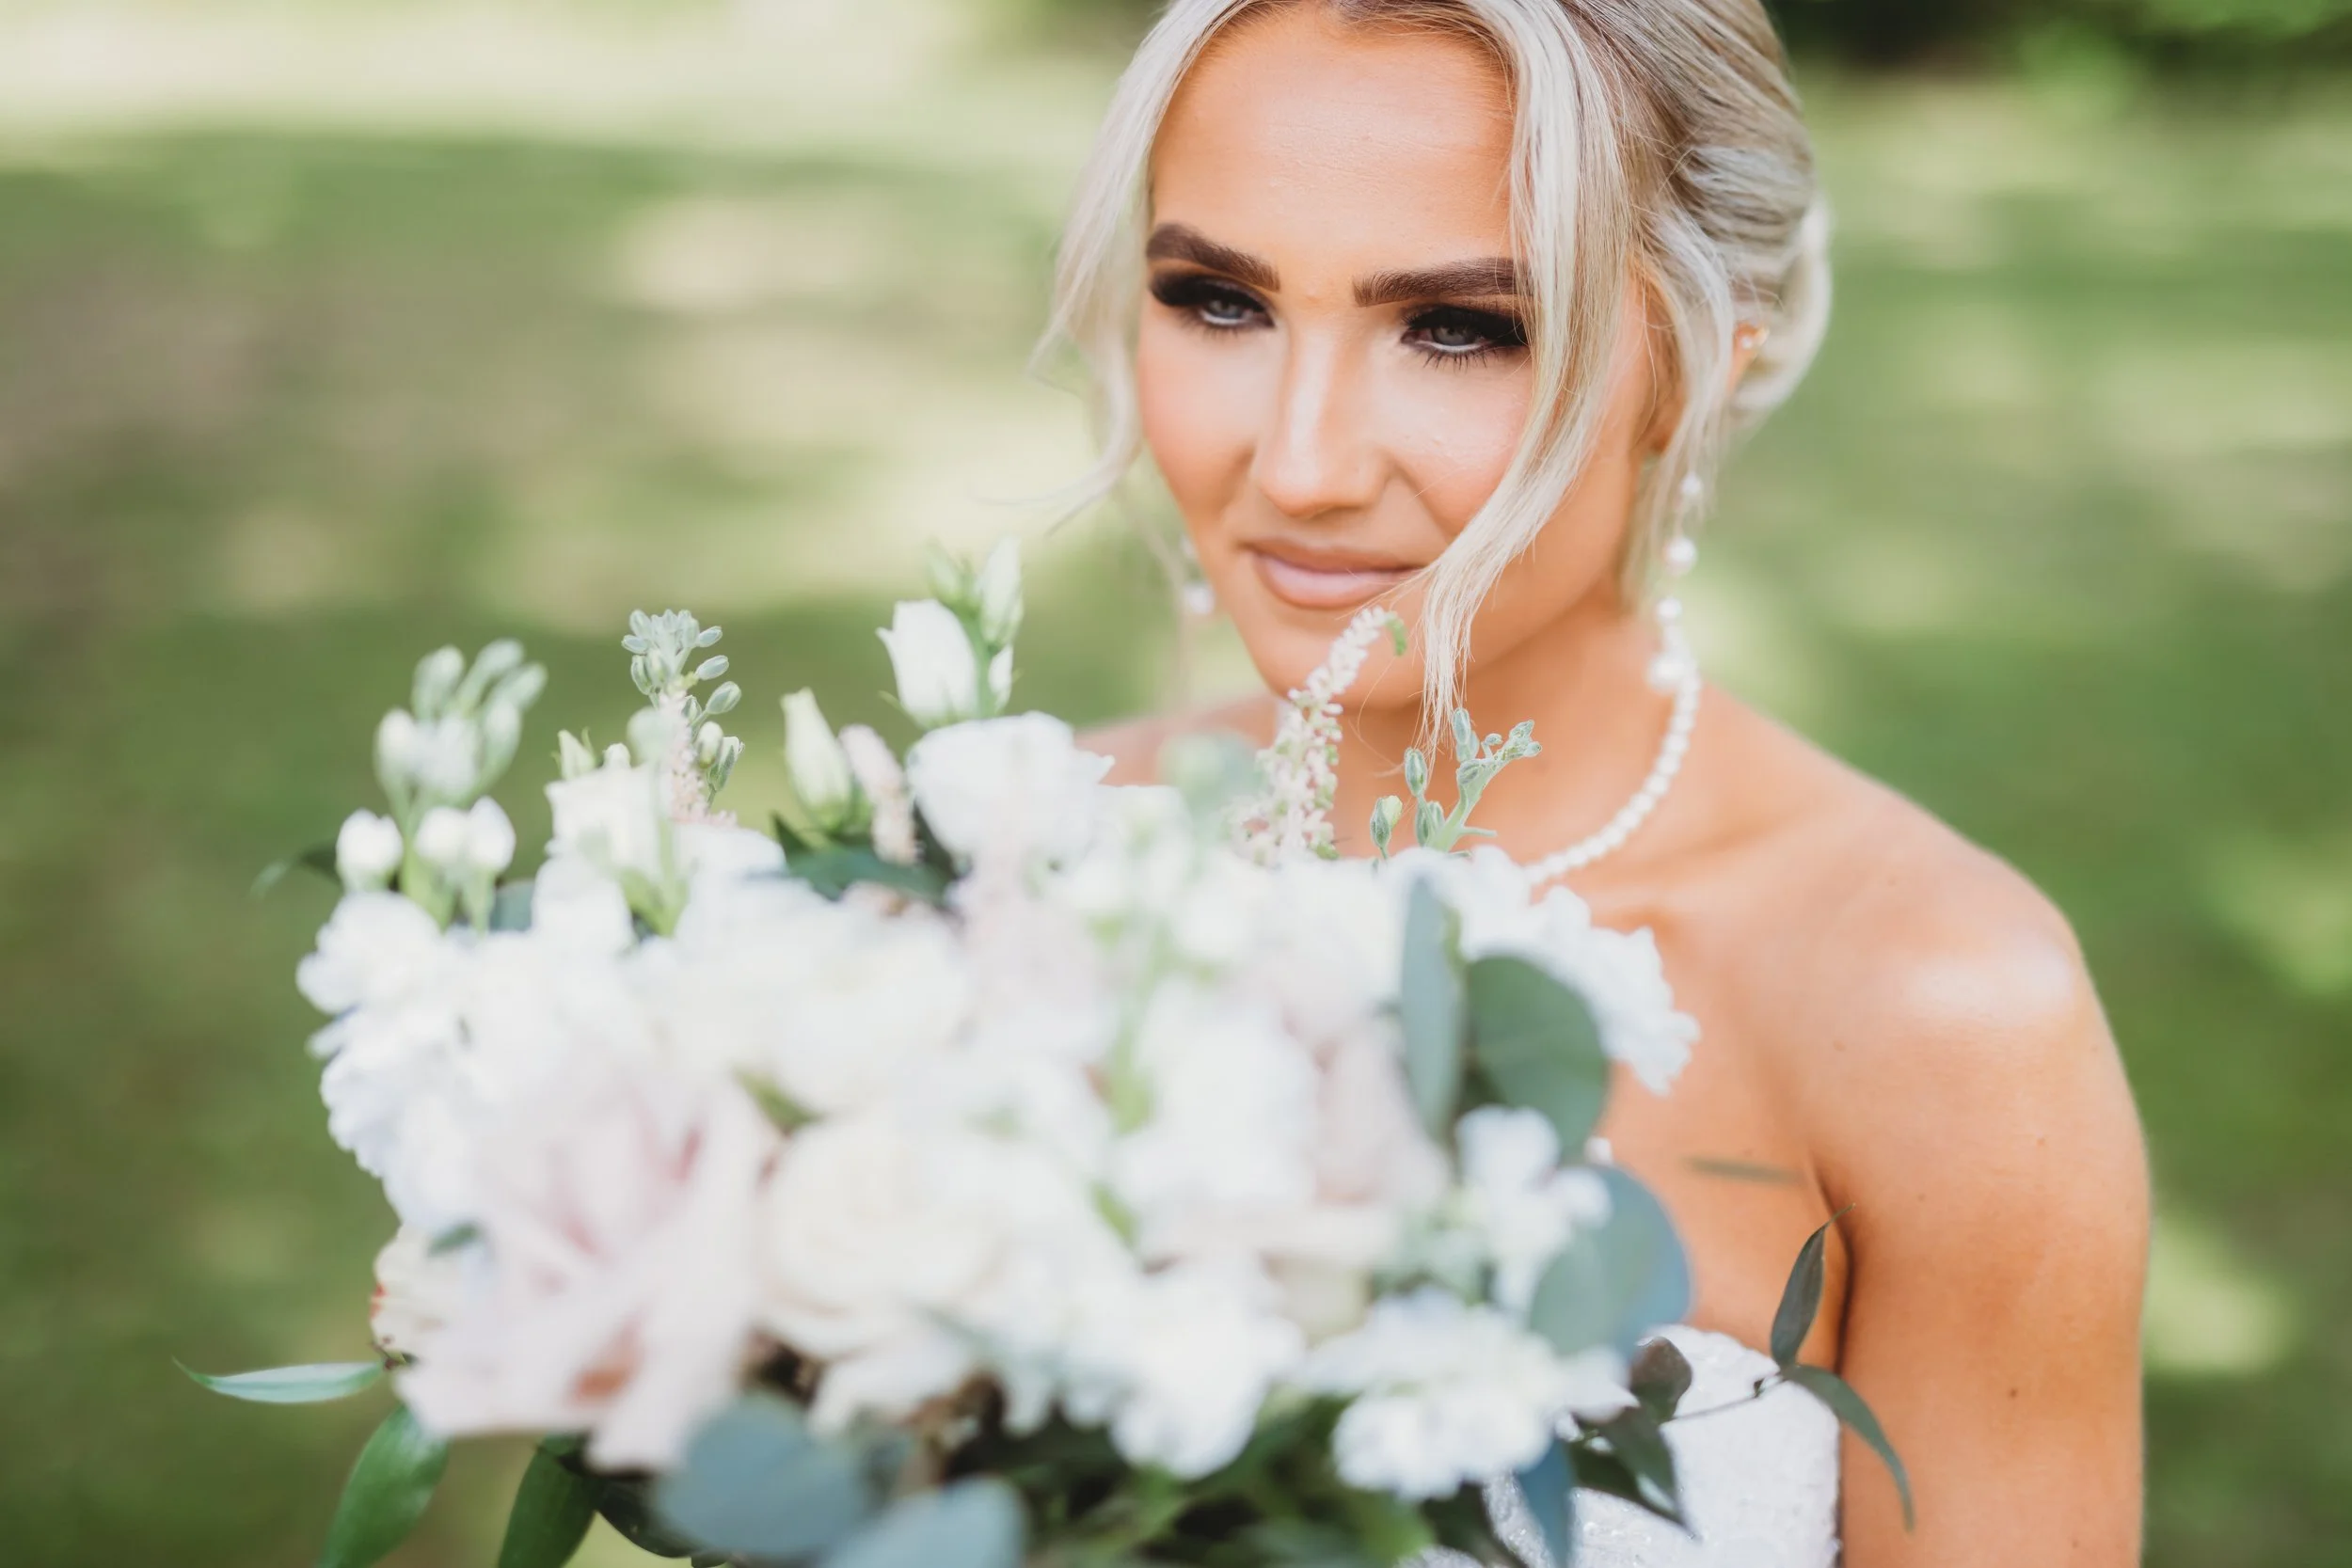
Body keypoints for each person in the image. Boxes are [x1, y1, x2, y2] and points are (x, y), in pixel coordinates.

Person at [1055, 3, 2150, 1563]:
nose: (1297, 463)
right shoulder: (1009, 869)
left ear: (1697, 372)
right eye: (1219, 300)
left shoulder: (1939, 1011)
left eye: (1459, 327)